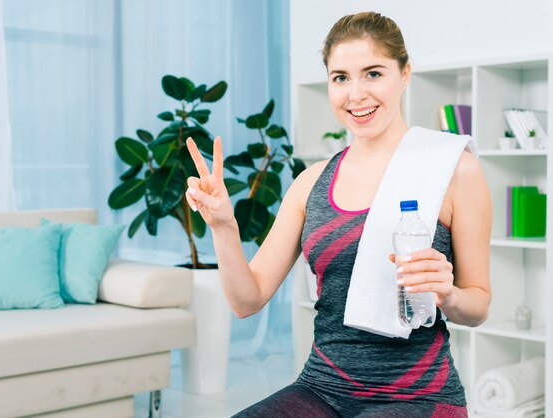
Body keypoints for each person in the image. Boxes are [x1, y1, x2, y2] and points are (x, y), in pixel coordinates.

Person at [185, 11, 491, 418]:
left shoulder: (454, 169)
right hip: (322, 388)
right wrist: (224, 226)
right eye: (341, 77)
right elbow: (247, 300)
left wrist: (448, 293)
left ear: (405, 74)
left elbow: (479, 304)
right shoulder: (310, 182)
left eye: (374, 73)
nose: (356, 94)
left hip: (420, 397)